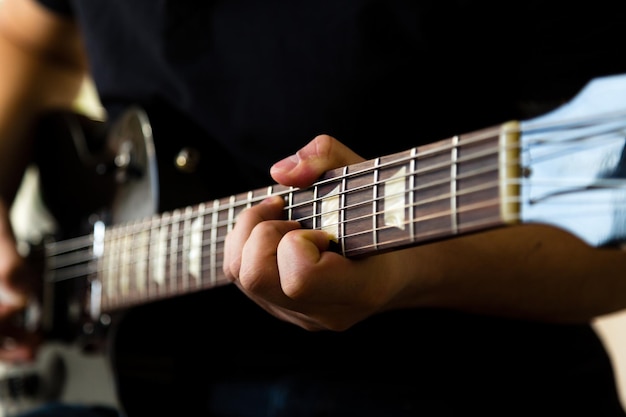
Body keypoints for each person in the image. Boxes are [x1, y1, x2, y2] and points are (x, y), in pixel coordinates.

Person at [1, 0, 626, 416]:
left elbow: (613, 256)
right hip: (122, 372)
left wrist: (408, 275)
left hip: (456, 386)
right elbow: (31, 36)